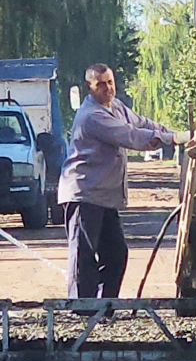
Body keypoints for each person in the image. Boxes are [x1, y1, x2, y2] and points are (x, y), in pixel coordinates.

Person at [58, 63, 189, 299]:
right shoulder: (92, 116)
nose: (107, 88)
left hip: (104, 196)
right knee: (83, 255)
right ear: (90, 88)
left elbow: (143, 124)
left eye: (110, 82)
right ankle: (82, 310)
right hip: (84, 193)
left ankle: (105, 305)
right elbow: (130, 136)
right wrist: (170, 139)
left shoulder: (115, 106)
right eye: (100, 84)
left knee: (116, 253)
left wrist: (173, 133)